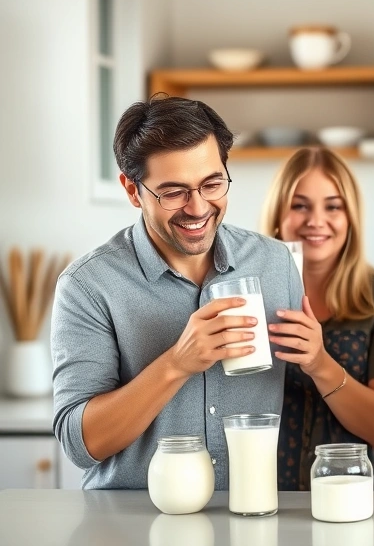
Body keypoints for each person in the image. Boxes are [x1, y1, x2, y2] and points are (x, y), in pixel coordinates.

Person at [51, 96, 303, 489]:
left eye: (212, 183)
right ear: (133, 191)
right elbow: (80, 444)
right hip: (131, 522)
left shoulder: (275, 263)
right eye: (173, 192)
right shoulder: (88, 285)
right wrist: (176, 364)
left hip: (250, 513)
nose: (198, 207)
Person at [260, 147, 374, 491]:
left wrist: (319, 363)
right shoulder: (248, 297)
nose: (316, 220)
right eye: (300, 205)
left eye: (333, 206)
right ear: (277, 215)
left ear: (350, 219)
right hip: (270, 501)